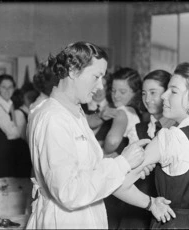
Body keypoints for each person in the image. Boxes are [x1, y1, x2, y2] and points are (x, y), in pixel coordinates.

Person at [25, 41, 174, 229]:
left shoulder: (74, 113)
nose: (100, 87)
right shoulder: (53, 118)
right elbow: (68, 192)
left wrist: (150, 202)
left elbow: (93, 173)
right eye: (96, 77)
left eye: (102, 79)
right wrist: (123, 163)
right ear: (72, 70)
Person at [113, 62, 189, 229]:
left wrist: (151, 203)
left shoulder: (171, 137)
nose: (164, 96)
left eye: (173, 91)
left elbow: (117, 183)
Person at [118, 70, 177, 229]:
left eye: (153, 93)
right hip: (137, 210)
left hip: (167, 211)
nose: (147, 99)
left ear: (167, 94)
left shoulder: (178, 131)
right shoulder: (137, 130)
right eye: (144, 93)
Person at [0, 74, 23, 178]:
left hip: (9, 156)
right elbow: (13, 134)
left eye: (10, 87)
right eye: (3, 87)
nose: (7, 90)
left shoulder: (10, 104)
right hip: (0, 157)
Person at [103, 67, 142, 157]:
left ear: (135, 92)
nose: (116, 95)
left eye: (122, 92)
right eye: (113, 90)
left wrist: (103, 151)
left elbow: (112, 141)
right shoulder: (135, 111)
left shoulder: (121, 112)